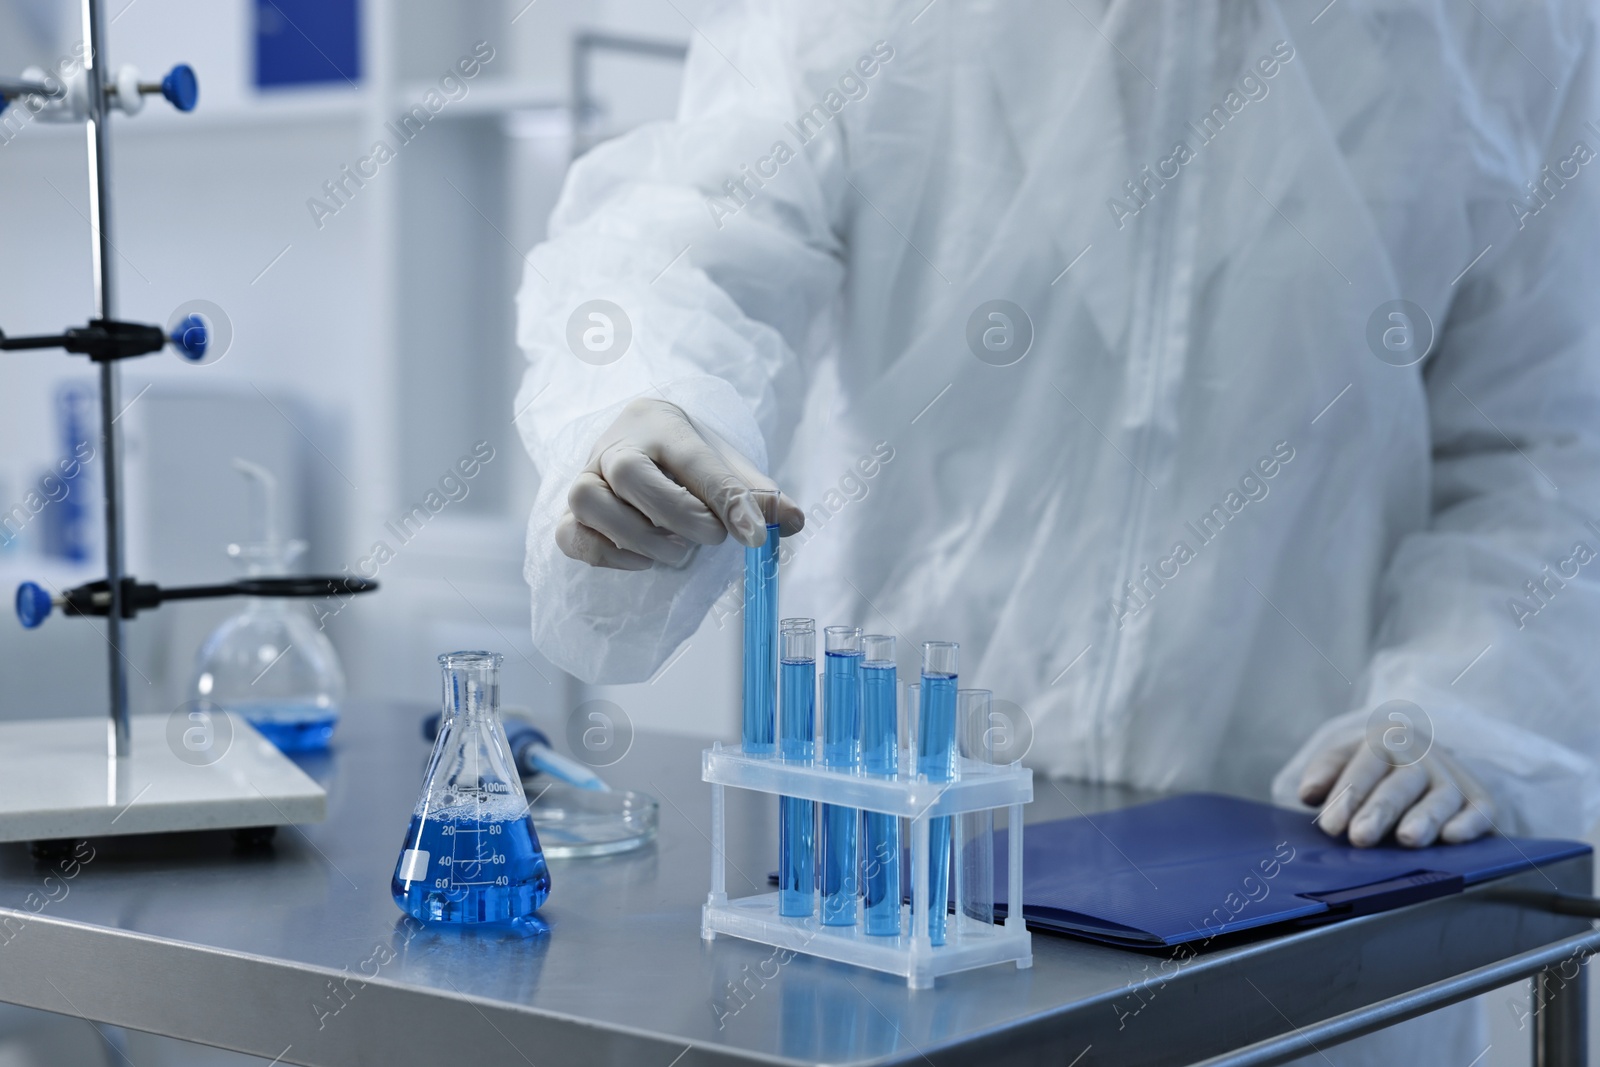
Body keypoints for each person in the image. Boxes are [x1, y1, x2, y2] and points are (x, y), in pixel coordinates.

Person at [513, 2, 1600, 1061]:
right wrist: (646, 397)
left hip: (1302, 877)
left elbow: (1543, 443)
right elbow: (693, 229)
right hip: (909, 861)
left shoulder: (1509, 26)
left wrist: (1469, 700)